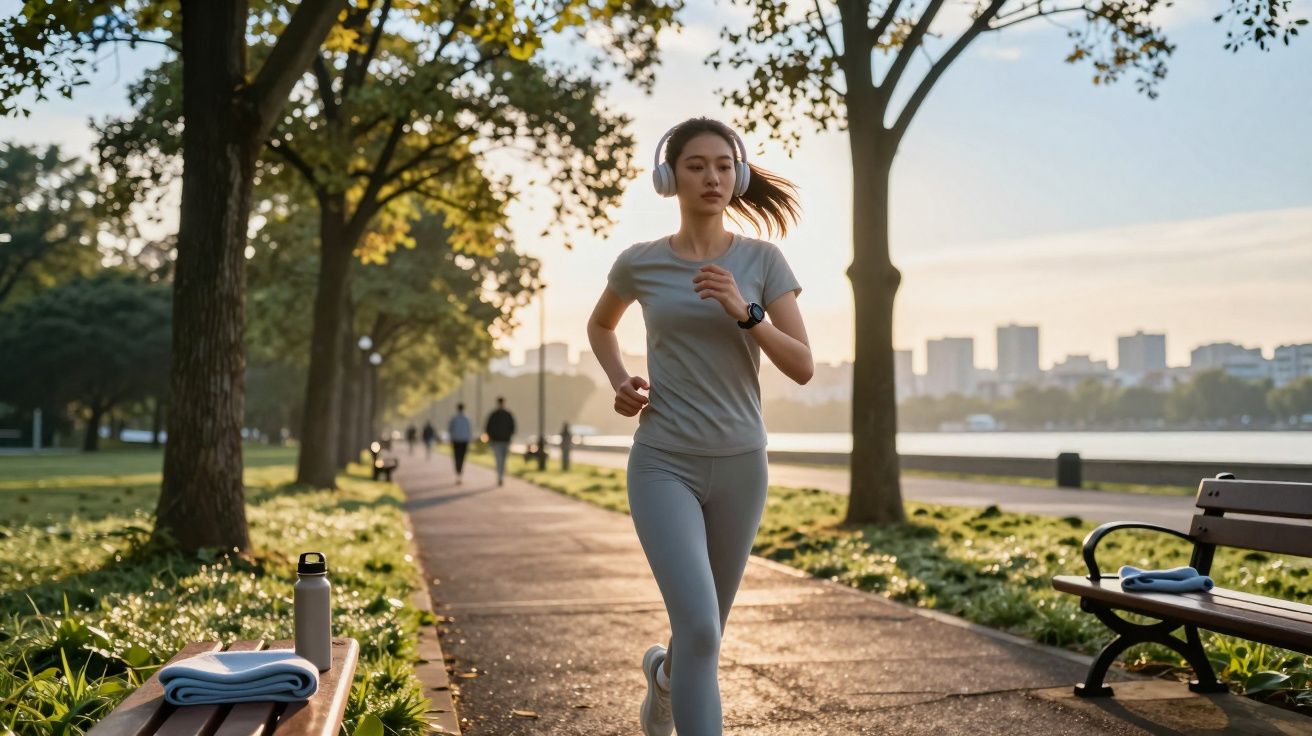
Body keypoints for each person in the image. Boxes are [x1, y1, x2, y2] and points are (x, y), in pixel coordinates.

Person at [586, 117, 811, 736]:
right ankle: (675, 684)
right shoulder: (640, 263)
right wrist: (621, 381)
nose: (711, 177)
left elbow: (802, 366)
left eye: (722, 165)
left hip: (742, 465)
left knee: (703, 635)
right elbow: (601, 326)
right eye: (695, 165)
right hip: (663, 461)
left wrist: (747, 313)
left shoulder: (763, 260)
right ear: (669, 177)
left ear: (737, 175)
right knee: (702, 630)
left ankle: (665, 681)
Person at [484, 397, 515, 486]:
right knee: (499, 459)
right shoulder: (494, 415)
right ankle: (500, 476)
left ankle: (501, 475)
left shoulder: (507, 415)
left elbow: (512, 427)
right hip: (497, 441)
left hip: (504, 441)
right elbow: (488, 428)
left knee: (503, 459)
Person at [447, 403, 472, 484]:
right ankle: (459, 473)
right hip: (464, 441)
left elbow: (450, 430)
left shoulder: (454, 419)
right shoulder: (467, 419)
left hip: (456, 440)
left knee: (457, 457)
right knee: (462, 457)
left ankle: (458, 473)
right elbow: (469, 431)